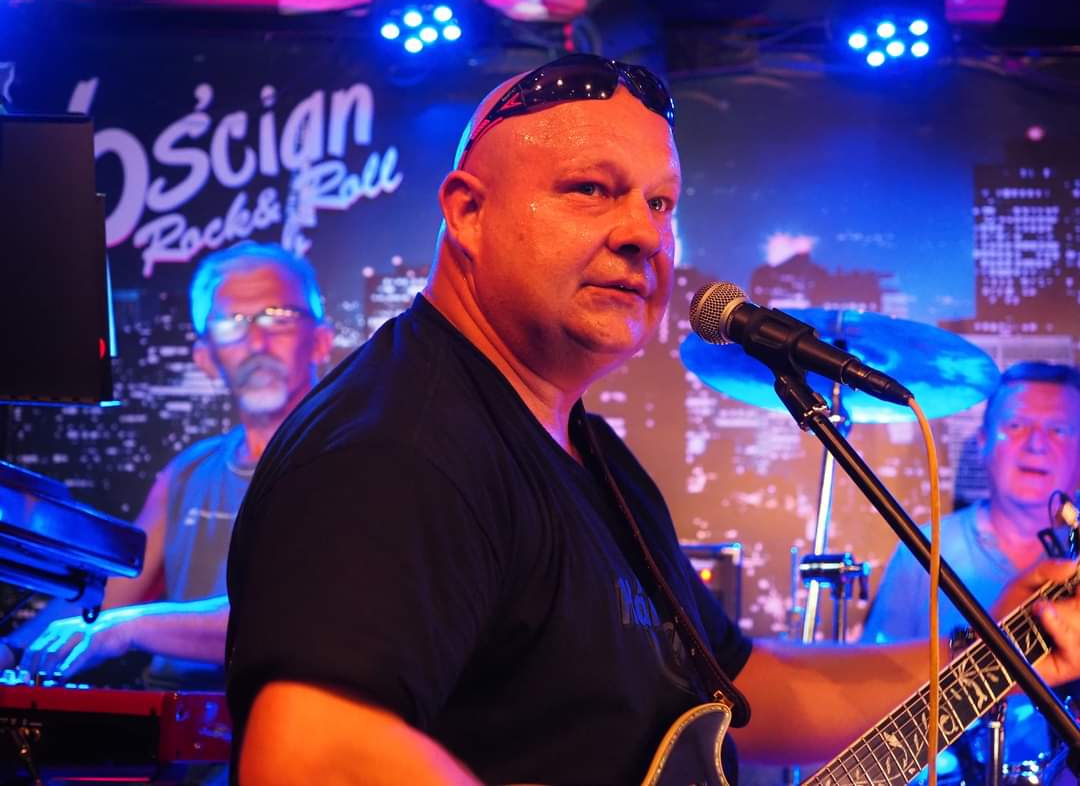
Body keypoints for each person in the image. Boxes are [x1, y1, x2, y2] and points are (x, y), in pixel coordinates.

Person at [224, 54, 1080, 785]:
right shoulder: (402, 447)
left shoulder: (593, 457)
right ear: (467, 212)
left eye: (661, 204)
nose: (643, 233)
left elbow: (749, 695)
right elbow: (308, 755)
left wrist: (1005, 654)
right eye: (591, 190)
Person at [5, 241, 333, 689]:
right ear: (205, 358)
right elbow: (107, 598)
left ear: (320, 342)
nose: (257, 342)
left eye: (278, 317)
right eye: (231, 323)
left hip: (282, 720)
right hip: (170, 720)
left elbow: (291, 618)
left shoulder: (351, 465)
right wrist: (12, 649)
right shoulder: (188, 471)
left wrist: (128, 628)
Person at [863, 360, 1080, 766]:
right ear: (983, 442)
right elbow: (869, 689)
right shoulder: (924, 549)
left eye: (1058, 430)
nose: (1036, 444)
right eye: (1016, 425)